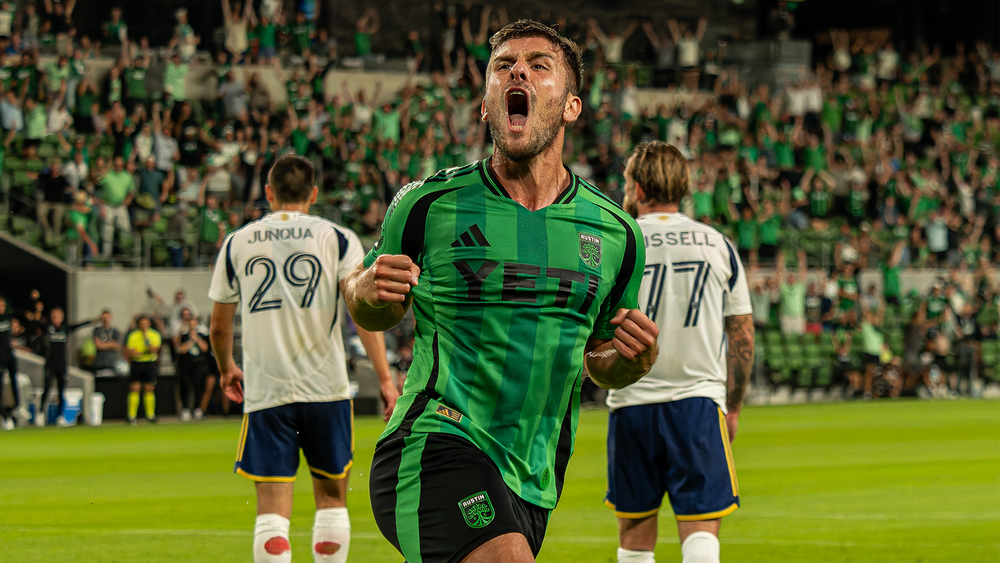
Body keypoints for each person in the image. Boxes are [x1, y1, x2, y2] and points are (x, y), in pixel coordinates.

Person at [345, 20, 658, 563]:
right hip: (434, 442)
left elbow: (600, 360)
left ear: (570, 107)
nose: (519, 71)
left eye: (540, 66)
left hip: (534, 476)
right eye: (503, 66)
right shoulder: (428, 205)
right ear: (487, 106)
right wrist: (366, 289)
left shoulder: (617, 234)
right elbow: (367, 306)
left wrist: (632, 361)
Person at [209, 154, 399, 563]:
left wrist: (227, 368)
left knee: (272, 513)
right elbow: (362, 312)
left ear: (267, 193)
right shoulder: (339, 238)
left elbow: (220, 327)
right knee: (331, 499)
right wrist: (385, 380)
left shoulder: (237, 242)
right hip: (326, 389)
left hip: (267, 391)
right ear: (313, 193)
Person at [603, 142, 754, 563]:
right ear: (684, 186)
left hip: (632, 403)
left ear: (635, 185)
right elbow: (741, 335)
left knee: (634, 538)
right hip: (698, 404)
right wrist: (734, 406)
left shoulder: (619, 242)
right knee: (702, 533)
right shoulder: (716, 244)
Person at [38, 308, 94, 427]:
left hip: (61, 364)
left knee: (61, 391)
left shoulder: (64, 329)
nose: (56, 318)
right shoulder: (48, 329)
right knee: (46, 389)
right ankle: (41, 414)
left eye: (58, 316)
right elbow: (37, 324)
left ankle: (60, 416)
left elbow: (77, 326)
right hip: (50, 364)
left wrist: (91, 321)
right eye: (54, 316)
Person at [124, 315, 161, 425]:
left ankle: (150, 415)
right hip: (137, 363)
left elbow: (154, 349)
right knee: (135, 388)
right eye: (142, 323)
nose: (144, 325)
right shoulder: (133, 335)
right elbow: (131, 351)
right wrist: (138, 353)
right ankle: (131, 416)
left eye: (146, 323)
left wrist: (146, 340)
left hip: (149, 363)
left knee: (149, 388)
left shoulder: (154, 335)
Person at [174, 315, 210, 421]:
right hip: (186, 363)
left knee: (199, 385)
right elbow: (182, 349)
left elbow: (205, 348)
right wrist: (190, 341)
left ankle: (197, 409)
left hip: (198, 364)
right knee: (185, 385)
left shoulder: (202, 335)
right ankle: (185, 409)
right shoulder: (184, 336)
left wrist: (196, 338)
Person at [0, 296, 24, 430]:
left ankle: (16, 408)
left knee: (14, 381)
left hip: (9, 355)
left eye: (2, 305)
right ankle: (4, 415)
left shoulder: (8, 318)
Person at [92, 309, 123, 373]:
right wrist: (110, 344)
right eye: (104, 317)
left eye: (107, 317)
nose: (106, 319)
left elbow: (117, 346)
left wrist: (104, 344)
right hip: (100, 363)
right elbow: (98, 345)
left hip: (112, 362)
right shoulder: (97, 330)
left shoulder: (115, 331)